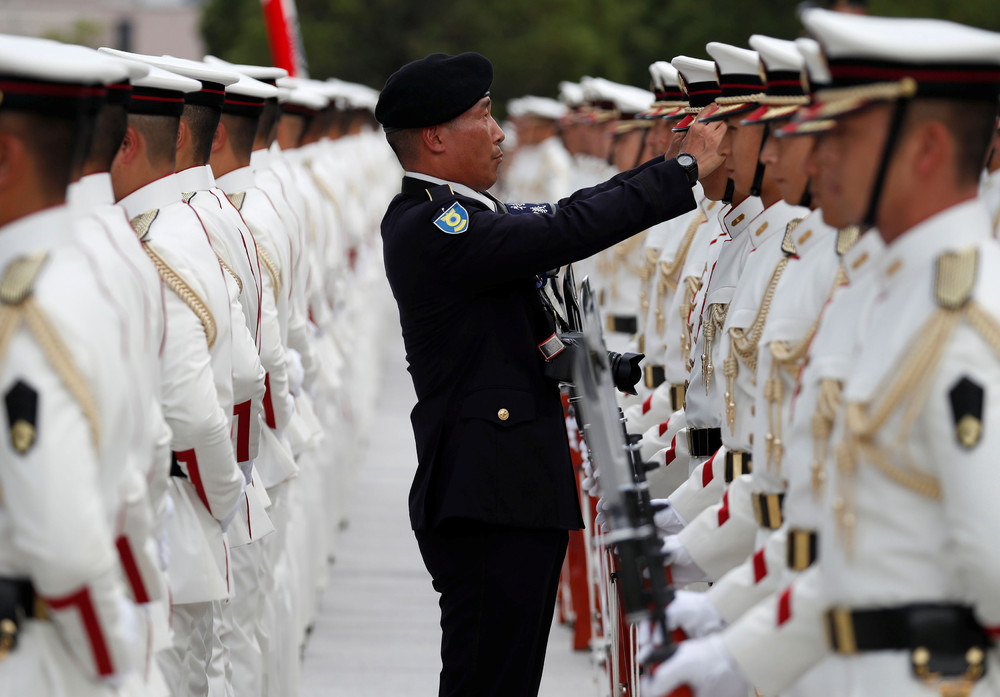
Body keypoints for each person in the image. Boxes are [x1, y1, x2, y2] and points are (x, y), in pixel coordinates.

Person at [374, 51, 725, 697]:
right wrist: (679, 171)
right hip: (490, 498)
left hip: (502, 493)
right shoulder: (435, 224)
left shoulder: (454, 218)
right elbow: (565, 226)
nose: (500, 132)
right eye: (483, 116)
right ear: (436, 136)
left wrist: (611, 366)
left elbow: (527, 337)